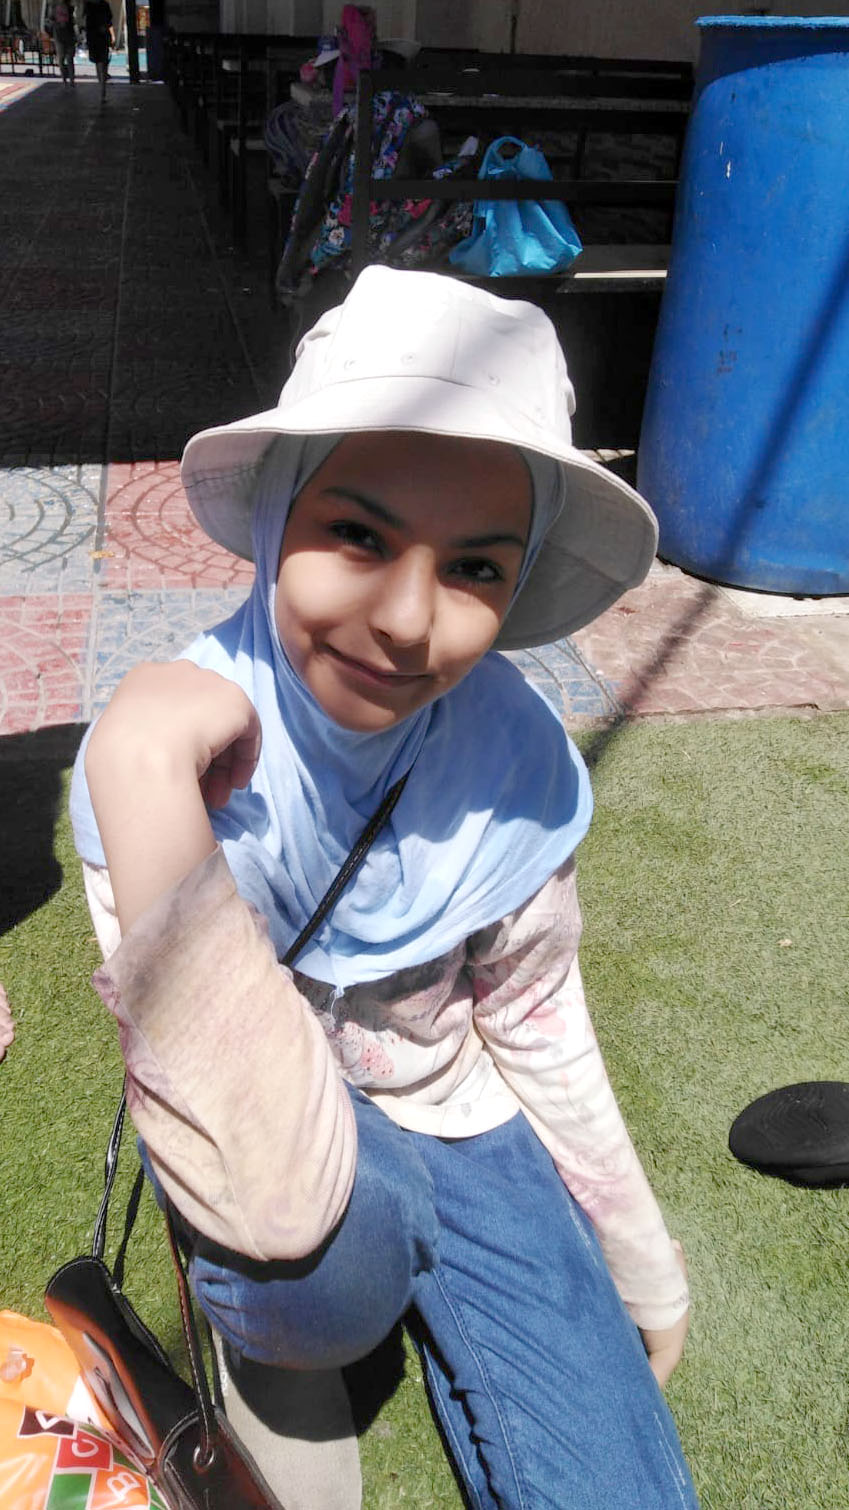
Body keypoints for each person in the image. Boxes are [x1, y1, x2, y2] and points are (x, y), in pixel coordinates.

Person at [69, 266, 698, 1509]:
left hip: (458, 1111)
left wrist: (639, 1256)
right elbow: (266, 1175)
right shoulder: (164, 767)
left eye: (475, 567)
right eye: (358, 534)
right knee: (317, 1265)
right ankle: (297, 1335)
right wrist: (137, 767)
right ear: (278, 515)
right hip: (271, 1145)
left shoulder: (509, 756)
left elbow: (535, 1016)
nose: (410, 621)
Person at [83, 0, 112, 101]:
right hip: (100, 37)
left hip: (94, 38)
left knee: (99, 63)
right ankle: (102, 89)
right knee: (102, 63)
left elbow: (85, 21)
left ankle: (102, 88)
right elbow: (109, 21)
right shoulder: (104, 5)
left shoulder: (89, 5)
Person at [46, 0, 76, 84]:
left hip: (67, 35)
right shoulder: (54, 7)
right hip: (60, 35)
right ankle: (66, 79)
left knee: (68, 58)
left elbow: (72, 20)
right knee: (62, 58)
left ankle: (70, 79)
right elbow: (50, 20)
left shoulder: (69, 7)